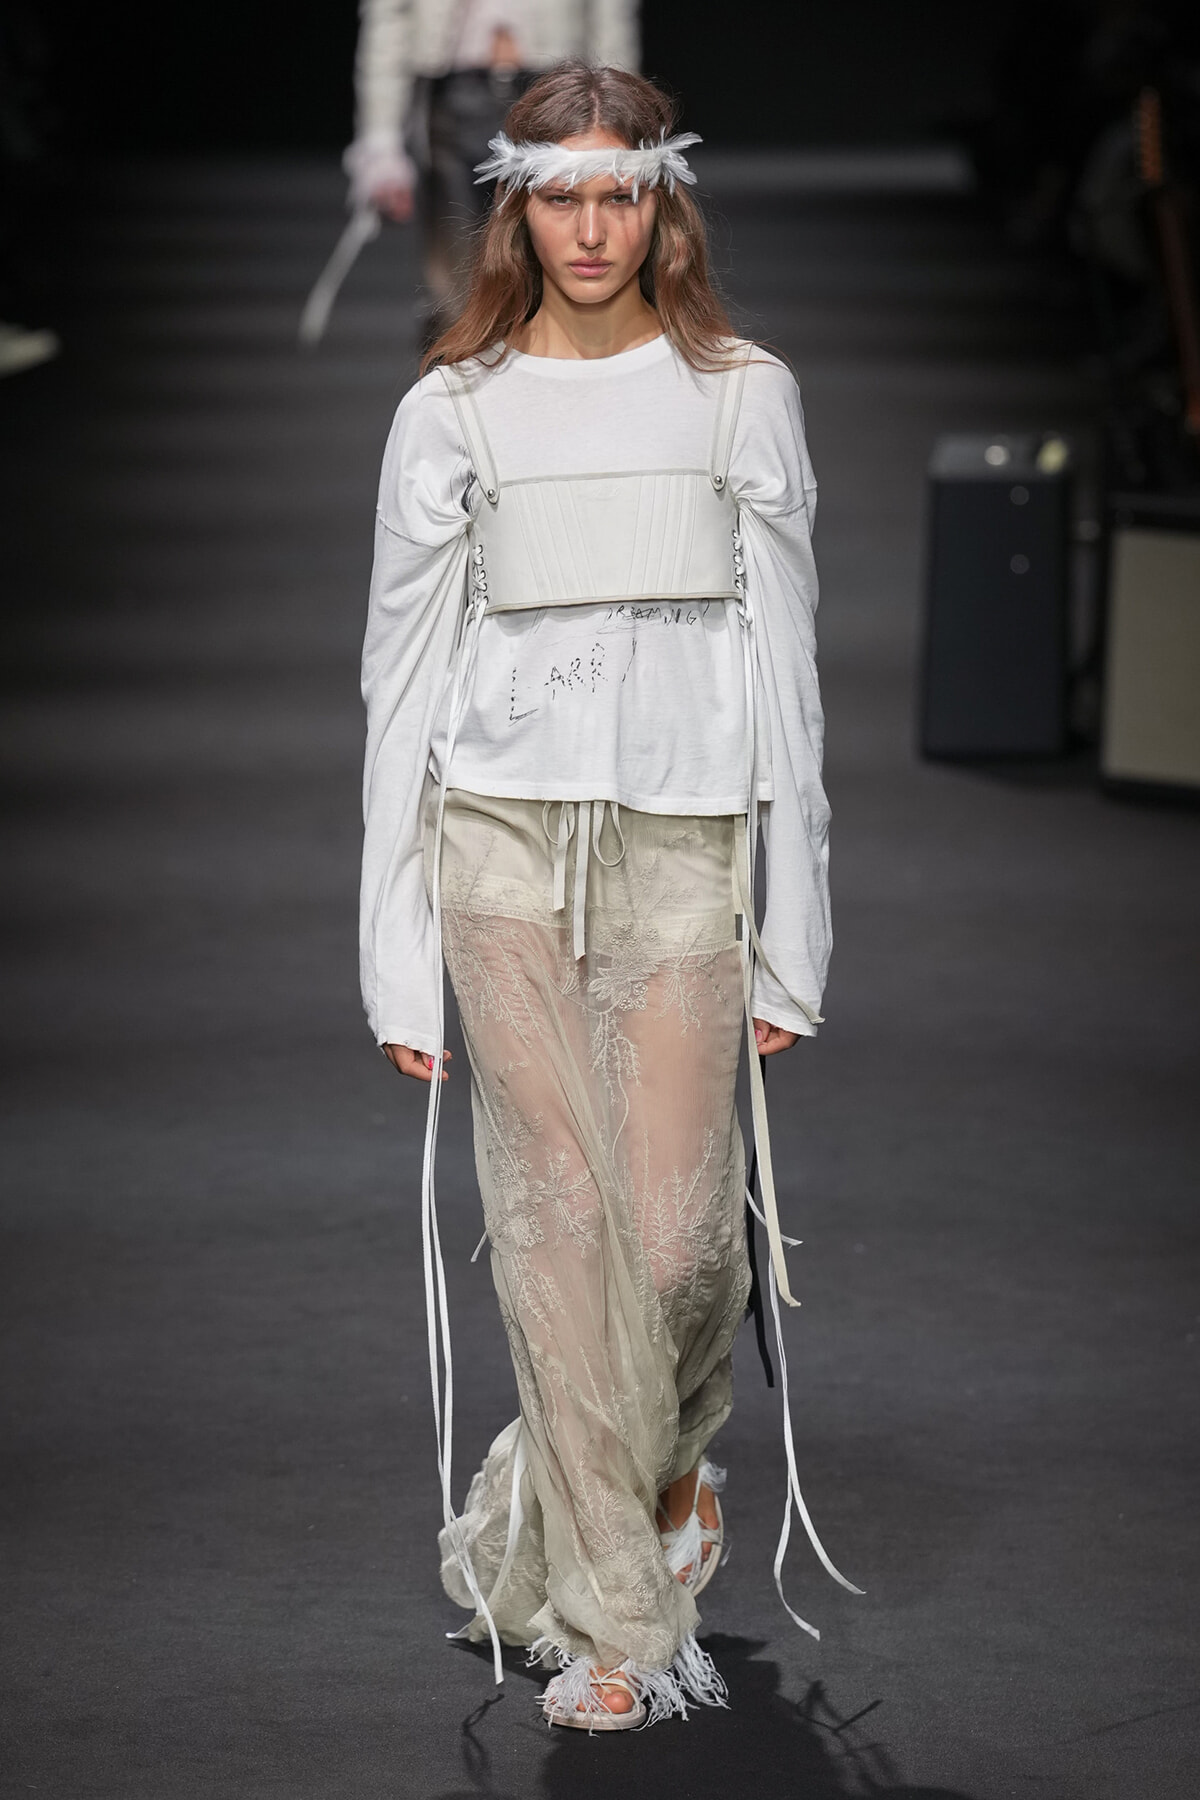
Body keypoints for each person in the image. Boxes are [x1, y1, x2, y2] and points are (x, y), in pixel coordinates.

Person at [359, 60, 857, 1732]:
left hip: (683, 846)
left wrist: (801, 931)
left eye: (619, 192)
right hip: (499, 839)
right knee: (560, 1239)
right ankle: (616, 1626)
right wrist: (390, 953)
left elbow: (789, 672)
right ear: (515, 203)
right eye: (559, 195)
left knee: (673, 1239)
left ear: (664, 200)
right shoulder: (454, 408)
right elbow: (399, 682)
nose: (589, 227)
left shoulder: (741, 394)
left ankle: (649, 1480)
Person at [346, 1, 639, 339]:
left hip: (556, 91)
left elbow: (610, 11)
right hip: (453, 94)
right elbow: (389, 16)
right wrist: (381, 139)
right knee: (453, 293)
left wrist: (620, 117)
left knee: (558, 283)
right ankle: (456, 384)